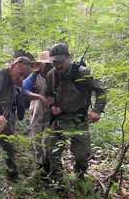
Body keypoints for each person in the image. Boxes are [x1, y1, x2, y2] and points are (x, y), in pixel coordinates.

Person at [0, 56, 46, 191]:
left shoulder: (16, 80)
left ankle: (12, 174)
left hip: (4, 120)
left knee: (8, 145)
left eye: (24, 76)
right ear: (12, 66)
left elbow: (23, 91)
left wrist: (40, 97)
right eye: (20, 74)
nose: (21, 79)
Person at [44, 43, 107, 185]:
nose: (58, 65)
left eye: (60, 62)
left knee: (81, 155)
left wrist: (97, 110)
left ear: (68, 58)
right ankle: (57, 182)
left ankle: (80, 178)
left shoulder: (83, 73)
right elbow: (48, 94)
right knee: (52, 152)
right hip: (59, 119)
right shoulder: (51, 75)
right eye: (54, 62)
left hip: (78, 119)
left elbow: (101, 91)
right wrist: (53, 105)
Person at [22, 51, 53, 169]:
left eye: (49, 64)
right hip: (37, 109)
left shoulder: (58, 75)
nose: (47, 66)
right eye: (44, 64)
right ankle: (40, 164)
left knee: (50, 138)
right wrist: (39, 96)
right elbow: (23, 89)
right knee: (37, 136)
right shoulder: (35, 76)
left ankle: (50, 163)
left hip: (53, 111)